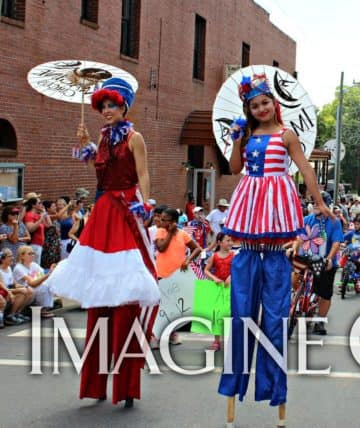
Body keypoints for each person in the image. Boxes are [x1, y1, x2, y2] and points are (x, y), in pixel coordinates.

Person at [217, 73, 331, 425]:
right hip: (250, 202)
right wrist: (236, 140)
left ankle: (273, 388)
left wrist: (318, 202)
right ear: (248, 110)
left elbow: (305, 168)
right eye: (254, 105)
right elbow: (235, 169)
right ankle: (236, 384)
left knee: (275, 312)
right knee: (242, 309)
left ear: (274, 104)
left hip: (276, 202)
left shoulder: (287, 135)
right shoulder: (248, 135)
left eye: (265, 102)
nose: (261, 108)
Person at [47, 78, 161, 408]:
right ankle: (96, 384)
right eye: (103, 106)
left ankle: (126, 386)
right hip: (103, 213)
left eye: (112, 105)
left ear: (124, 106)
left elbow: (144, 174)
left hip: (126, 211)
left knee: (125, 299)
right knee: (100, 303)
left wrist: (145, 205)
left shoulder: (134, 137)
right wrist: (86, 145)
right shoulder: (100, 137)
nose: (106, 111)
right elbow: (100, 173)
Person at [154, 207, 202, 345]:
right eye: (161, 219)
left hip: (178, 276)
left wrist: (188, 260)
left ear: (174, 221)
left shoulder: (182, 234)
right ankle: (156, 336)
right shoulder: (161, 231)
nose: (161, 221)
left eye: (164, 220)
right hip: (162, 275)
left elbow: (197, 248)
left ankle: (170, 333)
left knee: (175, 307)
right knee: (162, 307)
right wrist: (170, 233)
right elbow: (161, 247)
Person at [295, 204, 344, 335]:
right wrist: (293, 249)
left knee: (325, 293)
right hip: (306, 258)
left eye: (319, 203)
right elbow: (299, 238)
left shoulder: (335, 221)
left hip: (324, 261)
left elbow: (336, 243)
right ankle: (296, 301)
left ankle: (320, 321)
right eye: (314, 202)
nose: (315, 205)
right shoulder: (307, 219)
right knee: (292, 276)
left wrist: (329, 258)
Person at [203, 232, 234, 351]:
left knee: (231, 313)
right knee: (217, 314)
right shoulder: (214, 256)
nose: (230, 243)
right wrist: (215, 278)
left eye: (231, 240)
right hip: (218, 288)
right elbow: (206, 270)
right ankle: (216, 340)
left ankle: (231, 339)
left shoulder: (234, 255)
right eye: (227, 240)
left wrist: (230, 277)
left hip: (231, 288)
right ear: (220, 242)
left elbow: (237, 269)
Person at [13, 246, 56, 317]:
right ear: (22, 256)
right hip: (24, 293)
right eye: (29, 254)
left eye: (33, 253)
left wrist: (48, 274)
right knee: (43, 286)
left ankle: (44, 308)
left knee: (48, 284)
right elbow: (33, 283)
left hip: (31, 291)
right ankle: (40, 310)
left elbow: (40, 278)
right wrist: (48, 274)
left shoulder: (34, 265)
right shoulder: (18, 268)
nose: (32, 255)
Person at [0, 248, 33, 325]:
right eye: (10, 256)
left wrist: (24, 286)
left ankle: (17, 313)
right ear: (3, 259)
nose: (12, 258)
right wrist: (19, 290)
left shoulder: (8, 268)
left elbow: (14, 284)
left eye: (12, 256)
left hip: (9, 290)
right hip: (4, 291)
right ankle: (10, 316)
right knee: (23, 291)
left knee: (29, 291)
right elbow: (4, 287)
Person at [23, 195, 49, 266]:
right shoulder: (29, 215)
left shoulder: (38, 215)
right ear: (33, 205)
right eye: (39, 203)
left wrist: (44, 213)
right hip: (33, 244)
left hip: (39, 245)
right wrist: (41, 219)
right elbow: (30, 229)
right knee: (34, 266)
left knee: (37, 266)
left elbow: (49, 225)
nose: (41, 205)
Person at [41, 201, 61, 268]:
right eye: (53, 206)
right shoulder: (47, 216)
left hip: (56, 243)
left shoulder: (52, 216)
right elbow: (49, 225)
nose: (55, 207)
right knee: (49, 263)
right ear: (47, 208)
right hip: (49, 244)